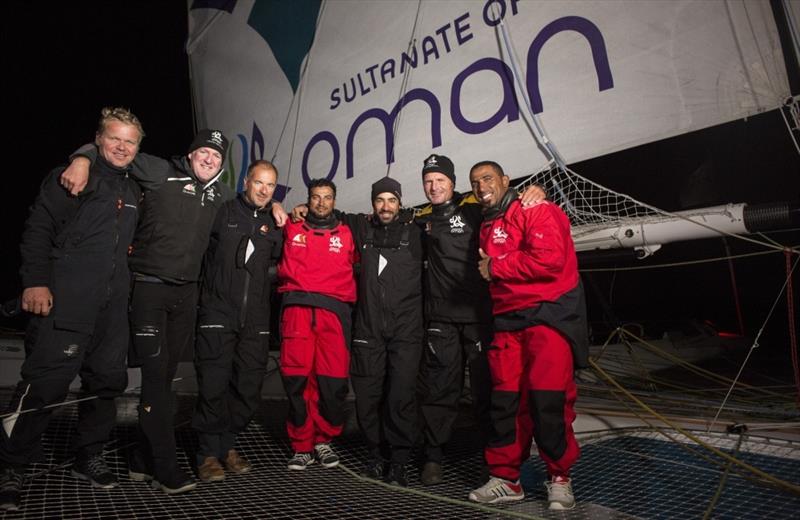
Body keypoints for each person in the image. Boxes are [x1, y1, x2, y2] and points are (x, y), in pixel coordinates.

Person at [60, 129, 235, 494]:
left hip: (186, 295)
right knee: (156, 381)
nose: (209, 159)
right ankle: (165, 469)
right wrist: (80, 158)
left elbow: (249, 211)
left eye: (217, 156)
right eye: (204, 151)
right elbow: (109, 152)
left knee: (166, 378)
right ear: (190, 154)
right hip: (149, 289)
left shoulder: (220, 195)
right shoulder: (159, 171)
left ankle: (140, 461)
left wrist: (279, 207)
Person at [0, 107, 144, 511]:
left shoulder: (133, 190)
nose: (121, 146)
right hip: (67, 301)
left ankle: (89, 454)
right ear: (99, 139)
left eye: (130, 141)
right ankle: (12, 465)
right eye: (114, 138)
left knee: (106, 384)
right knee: (44, 385)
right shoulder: (72, 177)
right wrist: (34, 281)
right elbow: (39, 228)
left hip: (113, 309)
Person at [416, 154, 546, 486]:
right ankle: (433, 456)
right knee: (439, 390)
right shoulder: (420, 219)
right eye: (428, 181)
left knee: (486, 392)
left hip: (479, 317)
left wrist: (534, 190)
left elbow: (503, 201)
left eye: (440, 180)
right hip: (440, 320)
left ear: (452, 182)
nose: (434, 186)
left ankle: (494, 461)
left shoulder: (473, 208)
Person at [466, 161, 588, 511]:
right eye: (475, 182)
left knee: (548, 402)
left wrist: (496, 266)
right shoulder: (487, 221)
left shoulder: (537, 208)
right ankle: (507, 479)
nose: (481, 186)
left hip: (547, 317)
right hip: (507, 322)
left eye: (487, 179)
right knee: (504, 404)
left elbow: (548, 259)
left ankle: (560, 477)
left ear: (506, 180)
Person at [192, 160, 284, 482]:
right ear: (246, 181)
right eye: (259, 182)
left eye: (270, 185)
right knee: (213, 387)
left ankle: (227, 445)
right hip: (218, 313)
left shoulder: (276, 224)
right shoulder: (223, 211)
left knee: (247, 389)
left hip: (255, 321)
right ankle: (207, 453)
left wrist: (283, 211)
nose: (264, 190)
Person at [347, 177, 424, 486]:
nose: (386, 206)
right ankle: (376, 455)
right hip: (368, 329)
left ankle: (400, 460)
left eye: (392, 200)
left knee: (400, 396)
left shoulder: (417, 233)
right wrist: (296, 209)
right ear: (373, 204)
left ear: (400, 202)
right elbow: (330, 214)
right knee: (367, 396)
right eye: (380, 200)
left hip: (406, 329)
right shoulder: (362, 229)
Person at [277, 179, 356, 471]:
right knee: (298, 380)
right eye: (315, 197)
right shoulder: (291, 227)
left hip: (334, 311)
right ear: (307, 200)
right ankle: (301, 446)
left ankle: (324, 440)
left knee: (331, 381)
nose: (321, 203)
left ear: (335, 200)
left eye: (327, 197)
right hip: (297, 309)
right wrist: (278, 206)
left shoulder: (348, 232)